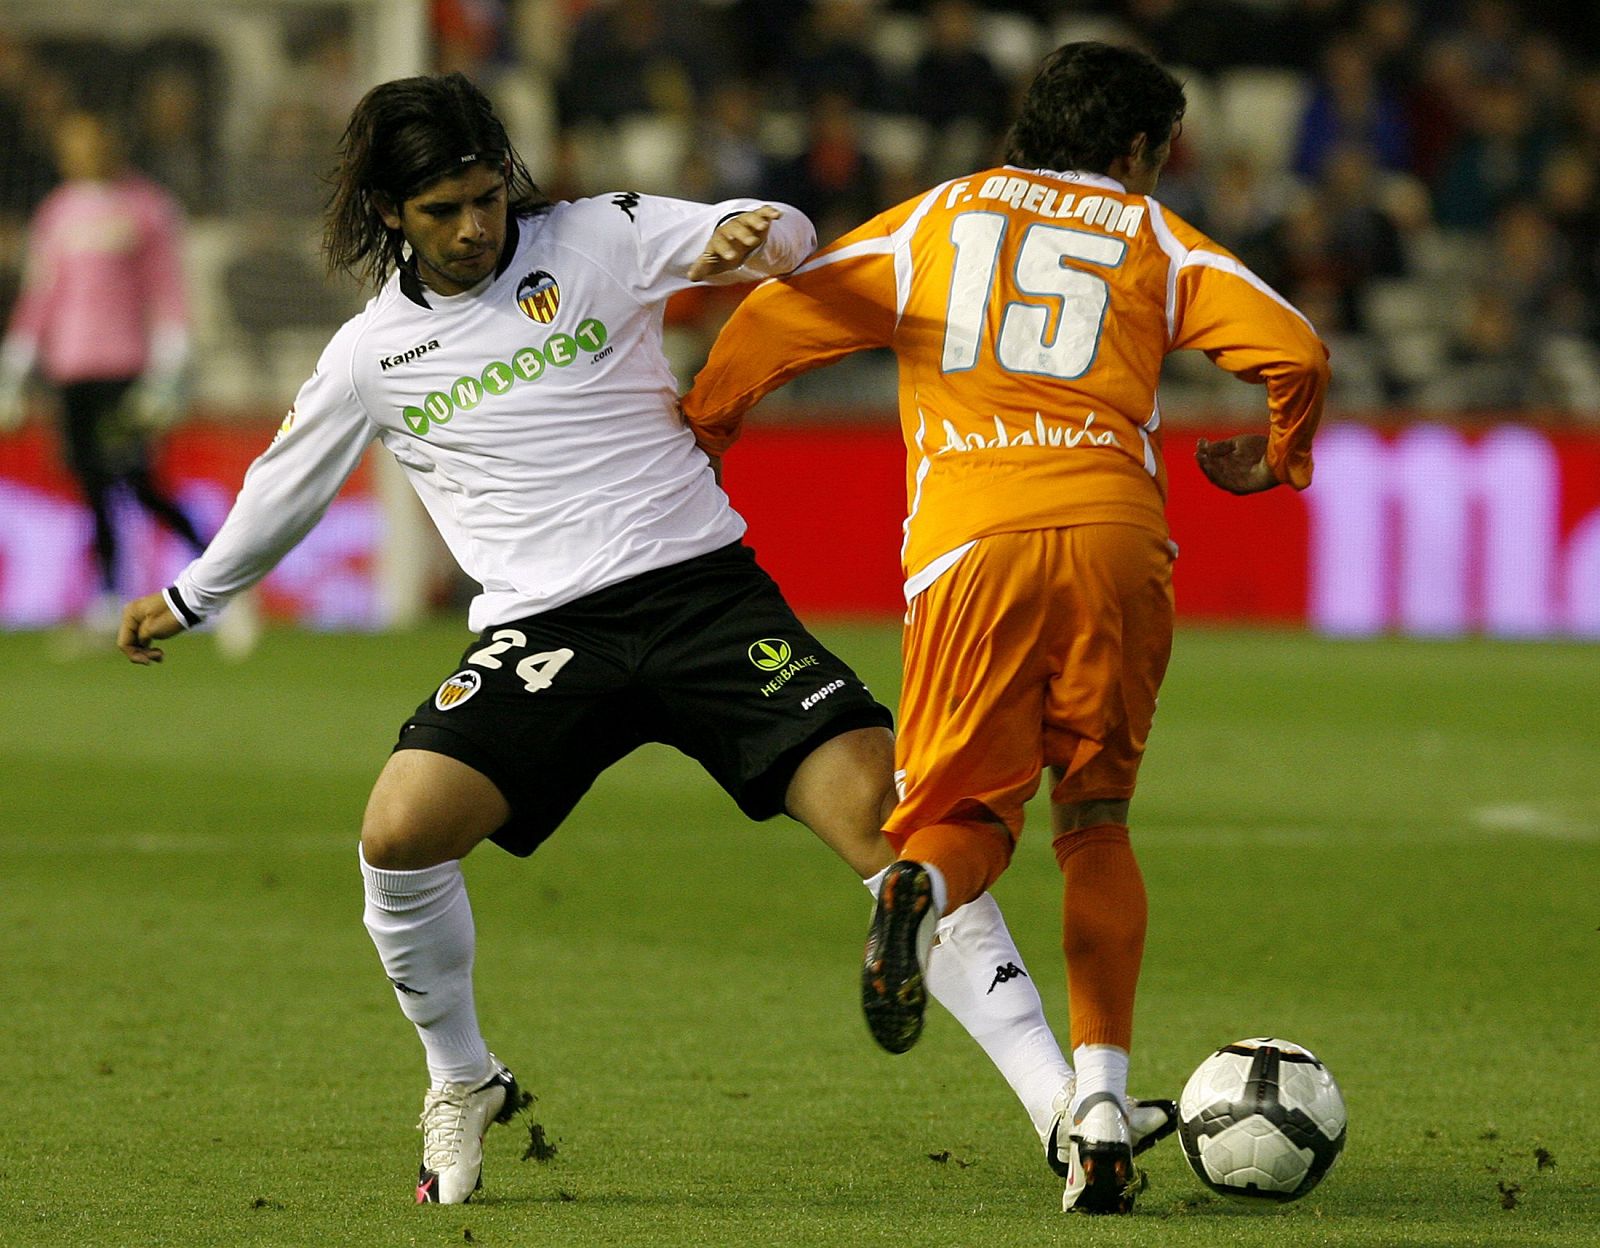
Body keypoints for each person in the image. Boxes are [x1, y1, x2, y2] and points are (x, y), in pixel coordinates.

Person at [116, 72, 1172, 1209]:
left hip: (704, 600)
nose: (477, 227)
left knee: (896, 828)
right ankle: (462, 1078)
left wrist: (753, 235)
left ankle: (1062, 1109)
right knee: (398, 835)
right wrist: (193, 597)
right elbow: (286, 487)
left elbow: (776, 242)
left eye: (487, 197)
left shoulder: (594, 236)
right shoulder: (372, 356)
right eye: (444, 211)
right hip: (543, 636)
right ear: (388, 214)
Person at [683, 41, 1330, 1214]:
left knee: (959, 819)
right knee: (1094, 818)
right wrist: (1277, 456)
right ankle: (1097, 1104)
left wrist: (709, 423)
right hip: (1113, 537)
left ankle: (915, 888)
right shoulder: (1149, 235)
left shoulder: (933, 221)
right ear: (1137, 153)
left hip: (968, 548)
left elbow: (784, 310)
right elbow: (1294, 345)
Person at [0, 109, 209, 633]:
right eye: (71, 145)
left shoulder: (147, 207)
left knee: (137, 481)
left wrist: (169, 365)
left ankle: (222, 576)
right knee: (92, 485)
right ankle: (109, 600)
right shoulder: (57, 212)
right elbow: (42, 293)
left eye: (88, 143)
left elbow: (167, 289)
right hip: (71, 371)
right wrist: (17, 361)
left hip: (124, 368)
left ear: (110, 146)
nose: (80, 154)